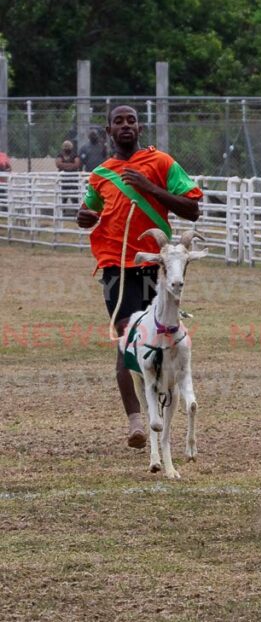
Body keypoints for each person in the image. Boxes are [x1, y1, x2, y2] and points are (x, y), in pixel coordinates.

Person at [76, 105, 203, 449]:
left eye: (131, 120)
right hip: (117, 271)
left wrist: (150, 188)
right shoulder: (100, 174)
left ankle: (165, 411)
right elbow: (91, 211)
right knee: (127, 338)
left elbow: (192, 209)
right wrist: (84, 218)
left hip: (156, 271)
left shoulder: (161, 163)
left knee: (165, 339)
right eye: (119, 121)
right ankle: (136, 421)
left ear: (140, 126)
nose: (126, 125)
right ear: (109, 130)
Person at [55, 140, 82, 217]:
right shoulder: (60, 155)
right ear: (63, 148)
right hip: (63, 181)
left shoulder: (74, 155)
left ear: (71, 147)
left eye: (68, 147)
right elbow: (58, 164)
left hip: (73, 181)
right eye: (65, 147)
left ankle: (78, 214)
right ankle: (60, 215)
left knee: (75, 199)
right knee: (62, 199)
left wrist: (65, 166)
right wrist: (71, 165)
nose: (67, 148)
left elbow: (77, 165)